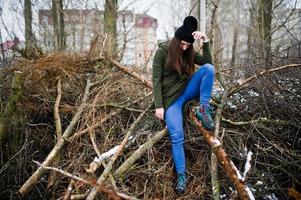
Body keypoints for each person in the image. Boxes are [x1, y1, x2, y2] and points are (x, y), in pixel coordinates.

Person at [152, 16, 215, 194]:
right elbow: (156, 80)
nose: (185, 47)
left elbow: (209, 64)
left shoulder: (189, 52)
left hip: (186, 92)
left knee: (208, 70)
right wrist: (159, 106)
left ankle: (204, 109)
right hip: (171, 101)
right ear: (176, 39)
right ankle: (181, 177)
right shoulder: (163, 51)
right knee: (177, 136)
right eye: (182, 43)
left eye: (188, 44)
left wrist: (206, 41)